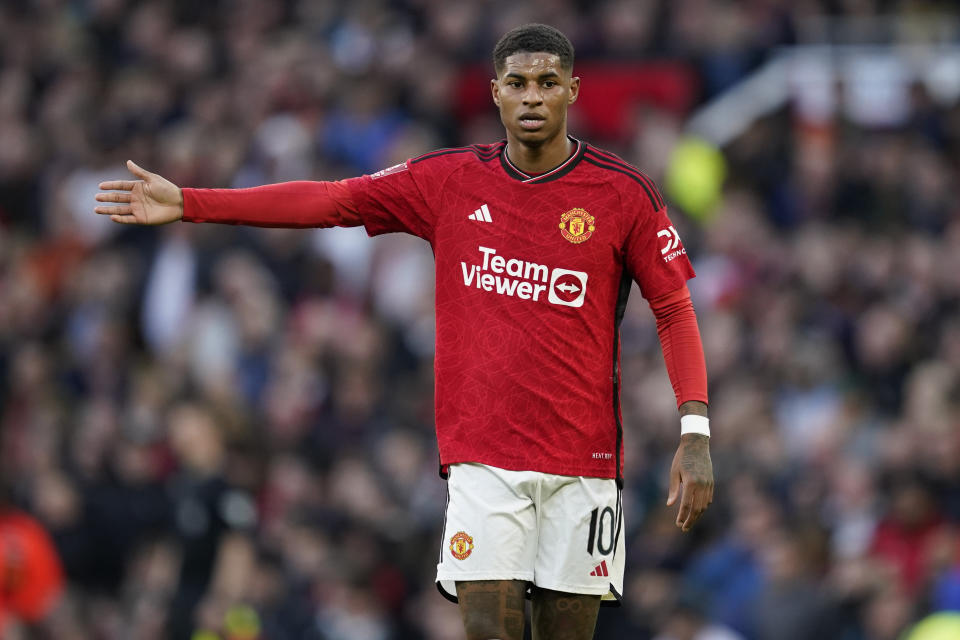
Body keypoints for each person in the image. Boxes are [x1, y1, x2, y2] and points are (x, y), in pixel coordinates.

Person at [94, 23, 714, 640]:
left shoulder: (623, 193)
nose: (532, 97)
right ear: (495, 92)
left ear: (572, 91)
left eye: (547, 83)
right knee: (487, 629)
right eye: (517, 83)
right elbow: (331, 201)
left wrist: (694, 432)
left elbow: (675, 309)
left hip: (583, 462)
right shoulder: (448, 181)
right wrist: (194, 202)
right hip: (483, 460)